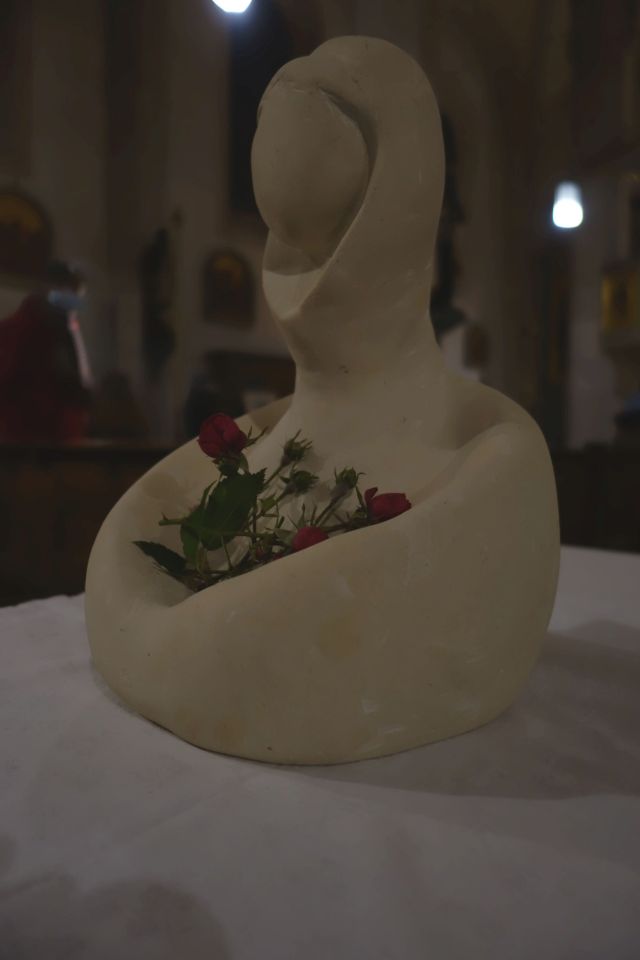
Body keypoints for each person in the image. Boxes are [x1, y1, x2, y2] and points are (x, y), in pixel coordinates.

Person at [0, 261, 93, 443]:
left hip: (42, 434)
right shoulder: (38, 328)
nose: (74, 301)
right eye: (71, 292)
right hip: (37, 435)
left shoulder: (58, 327)